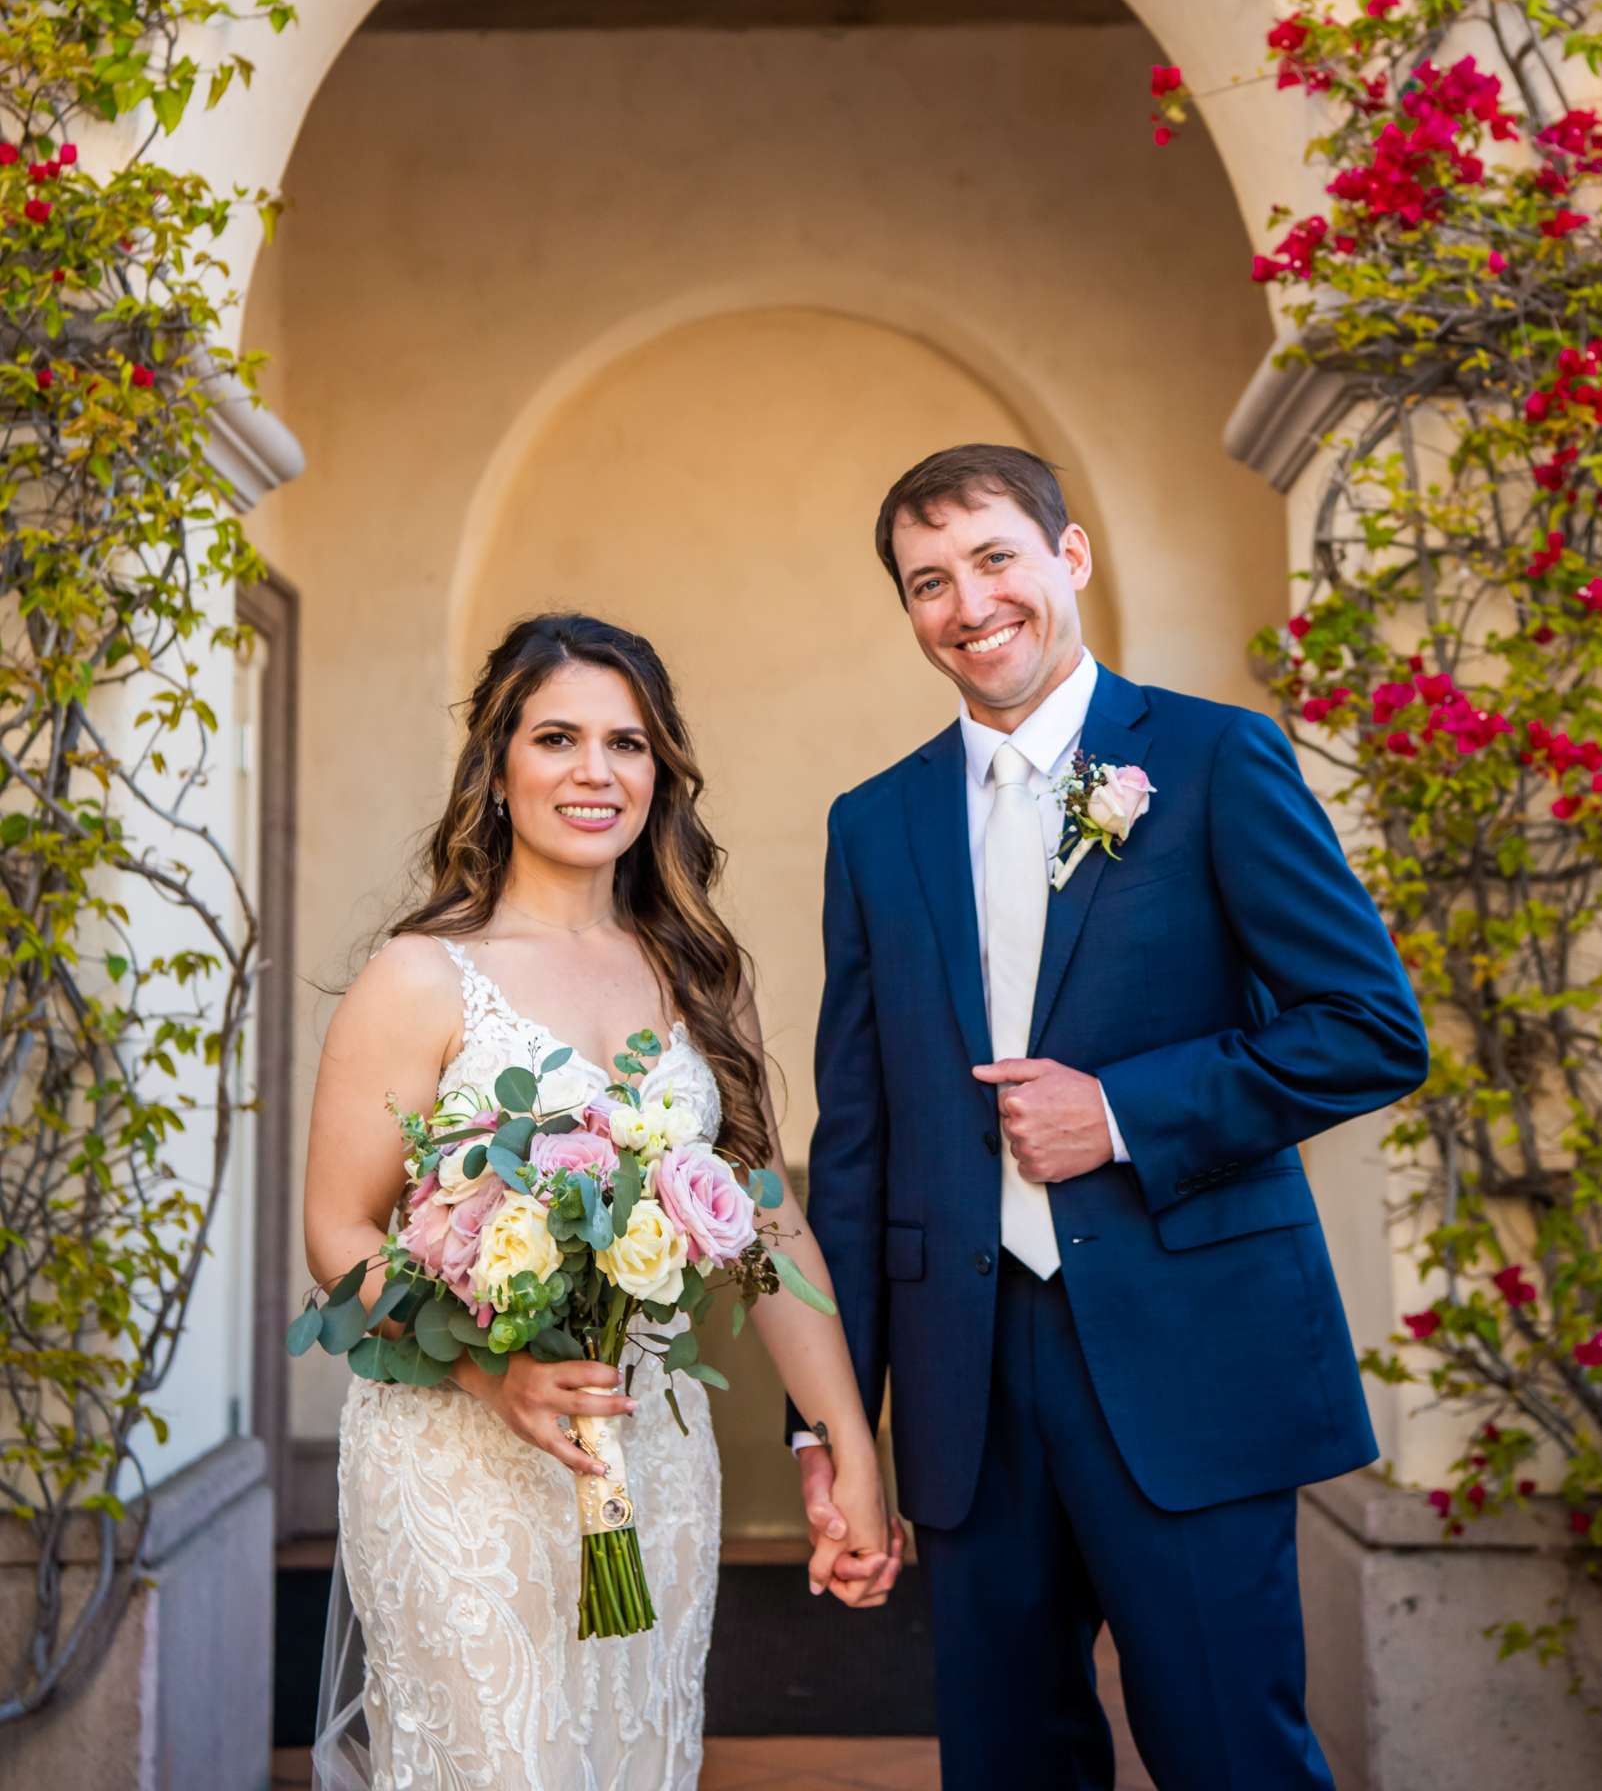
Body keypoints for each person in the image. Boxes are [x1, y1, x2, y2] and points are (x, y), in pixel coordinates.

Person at [792, 444, 1430, 1790]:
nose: (967, 606)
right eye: (926, 582)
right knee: (1006, 1764)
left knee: (1228, 1755)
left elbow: (1368, 1030)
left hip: (1190, 1353)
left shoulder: (1211, 759)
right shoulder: (873, 824)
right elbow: (855, 1149)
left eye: (992, 560)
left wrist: (1124, 1114)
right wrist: (831, 1427)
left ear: (1066, 558)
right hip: (966, 1381)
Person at [302, 612, 901, 1791]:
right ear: (498, 765)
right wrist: (490, 1370)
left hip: (655, 1451)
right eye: (558, 738)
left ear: (661, 772)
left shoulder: (694, 974)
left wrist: (850, 1446)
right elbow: (337, 1236)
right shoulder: (421, 975)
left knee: (634, 1759)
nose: (595, 772)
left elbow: (763, 1226)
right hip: (461, 1458)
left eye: (627, 744)